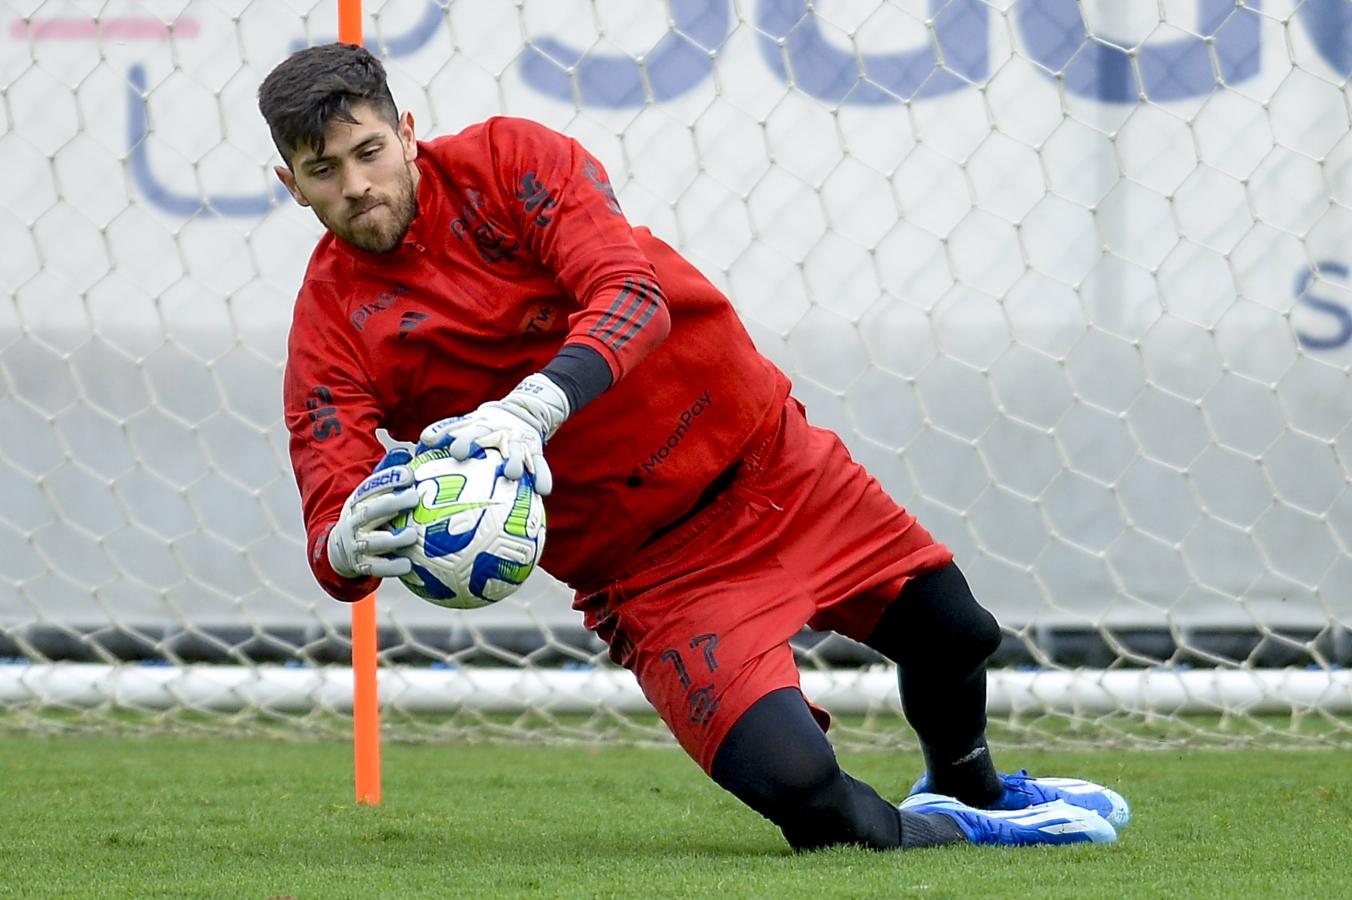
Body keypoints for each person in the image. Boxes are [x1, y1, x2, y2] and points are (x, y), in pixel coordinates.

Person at [258, 42, 1130, 851]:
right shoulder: (330, 328)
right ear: (291, 184)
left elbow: (632, 295)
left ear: (406, 132)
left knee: (956, 636)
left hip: (772, 464)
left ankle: (969, 787)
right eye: (323, 171)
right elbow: (332, 529)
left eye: (369, 151)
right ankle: (965, 834)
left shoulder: (510, 162)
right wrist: (347, 541)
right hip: (655, 574)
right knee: (808, 800)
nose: (356, 185)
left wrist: (529, 410)